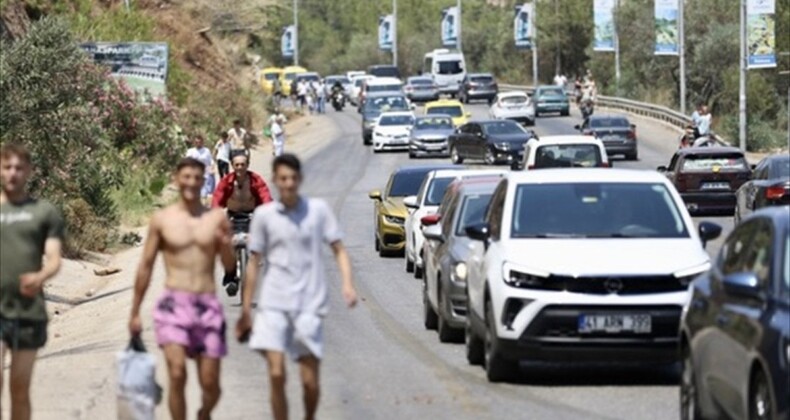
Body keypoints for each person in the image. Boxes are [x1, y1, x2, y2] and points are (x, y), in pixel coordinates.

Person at [236, 154, 358, 420]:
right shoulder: (265, 216)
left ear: (300, 179)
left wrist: (347, 284)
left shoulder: (318, 211)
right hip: (273, 306)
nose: (288, 184)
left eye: (293, 178)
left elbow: (339, 249)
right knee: (277, 375)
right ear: (276, 181)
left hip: (308, 306)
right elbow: (254, 263)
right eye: (283, 179)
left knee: (309, 382)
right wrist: (246, 309)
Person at [129, 157, 236, 420]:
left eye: (197, 178)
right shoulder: (162, 220)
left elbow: (230, 267)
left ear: (203, 181)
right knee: (177, 374)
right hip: (173, 305)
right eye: (186, 177)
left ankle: (204, 413)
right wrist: (134, 311)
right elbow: (146, 265)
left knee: (211, 386)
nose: (191, 182)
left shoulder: (215, 219)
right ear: (176, 179)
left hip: (207, 306)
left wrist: (226, 246)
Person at [0, 143, 64, 420]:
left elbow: (54, 258)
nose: (13, 173)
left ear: (29, 171)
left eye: (18, 168)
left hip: (28, 312)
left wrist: (40, 276)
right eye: (7, 167)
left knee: (19, 388)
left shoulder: (44, 212)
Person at [186, 135, 215, 203]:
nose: (198, 143)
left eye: (199, 142)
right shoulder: (190, 151)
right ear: (194, 142)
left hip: (205, 175)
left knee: (204, 193)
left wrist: (212, 168)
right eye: (196, 142)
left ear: (202, 142)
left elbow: (211, 161)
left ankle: (203, 206)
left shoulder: (206, 151)